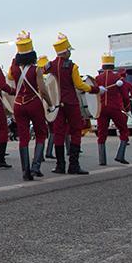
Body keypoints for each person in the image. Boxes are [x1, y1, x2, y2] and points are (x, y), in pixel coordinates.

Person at [44, 33, 99, 176]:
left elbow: (45, 82)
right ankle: (74, 165)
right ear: (66, 51)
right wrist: (94, 89)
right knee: (75, 131)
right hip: (71, 103)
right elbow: (80, 85)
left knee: (58, 133)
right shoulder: (72, 67)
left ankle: (60, 165)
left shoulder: (49, 66)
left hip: (56, 104)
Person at [8, 32, 51, 181]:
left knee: (23, 137)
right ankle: (36, 166)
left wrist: (17, 52)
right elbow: (43, 90)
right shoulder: (36, 69)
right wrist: (51, 104)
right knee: (41, 133)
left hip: (18, 104)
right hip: (33, 103)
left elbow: (9, 76)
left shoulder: (14, 69)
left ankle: (25, 171)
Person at [94, 53, 129, 166]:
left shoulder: (97, 78)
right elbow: (125, 96)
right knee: (123, 130)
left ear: (103, 66)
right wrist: (126, 107)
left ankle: (102, 160)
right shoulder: (117, 78)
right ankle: (120, 155)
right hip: (115, 108)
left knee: (101, 133)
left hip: (101, 108)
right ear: (112, 66)